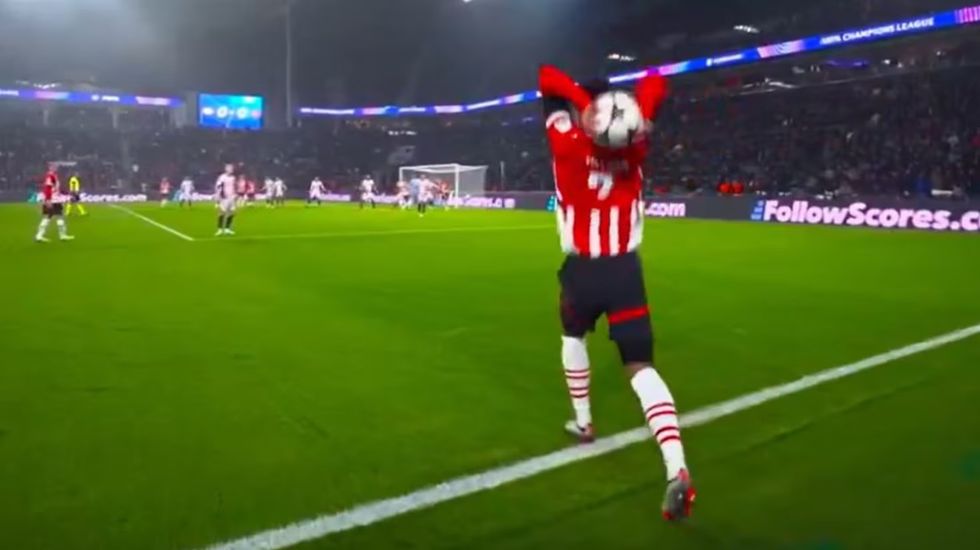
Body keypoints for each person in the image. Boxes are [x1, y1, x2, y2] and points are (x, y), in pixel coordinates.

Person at [539, 65, 694, 520]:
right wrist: (639, 109)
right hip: (626, 271)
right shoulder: (637, 145)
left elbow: (547, 79)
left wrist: (581, 104)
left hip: (582, 270)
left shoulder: (566, 142)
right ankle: (676, 466)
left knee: (572, 336)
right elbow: (656, 78)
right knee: (641, 368)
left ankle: (584, 421)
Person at [35, 165, 74, 242]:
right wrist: (48, 200)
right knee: (58, 216)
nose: (55, 168)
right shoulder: (50, 176)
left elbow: (56, 189)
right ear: (50, 168)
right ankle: (62, 235)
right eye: (53, 167)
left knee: (48, 217)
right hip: (53, 200)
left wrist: (66, 193)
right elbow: (48, 189)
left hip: (53, 199)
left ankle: (39, 235)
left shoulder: (53, 176)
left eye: (55, 167)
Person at [214, 164, 238, 236]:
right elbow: (218, 187)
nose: (232, 169)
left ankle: (227, 229)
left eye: (232, 168)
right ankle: (220, 229)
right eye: (230, 168)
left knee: (232, 213)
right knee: (222, 213)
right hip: (224, 198)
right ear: (226, 169)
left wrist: (235, 194)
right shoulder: (222, 177)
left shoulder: (233, 178)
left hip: (232, 197)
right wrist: (218, 196)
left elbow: (234, 186)